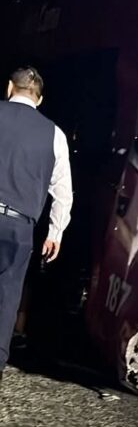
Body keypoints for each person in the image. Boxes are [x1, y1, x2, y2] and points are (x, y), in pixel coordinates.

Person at [0, 66, 73, 382]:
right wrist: (55, 232)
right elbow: (64, 192)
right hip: (19, 227)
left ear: (8, 89)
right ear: (39, 99)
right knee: (6, 296)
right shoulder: (54, 135)